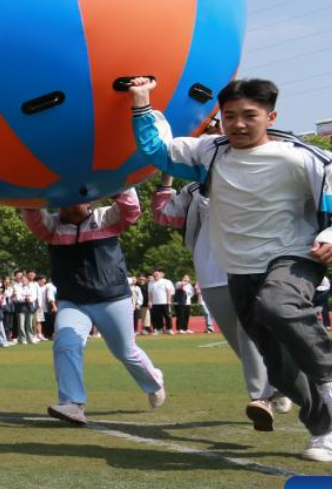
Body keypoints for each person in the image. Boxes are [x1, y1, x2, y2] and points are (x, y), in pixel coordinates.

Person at [132, 76, 332, 461]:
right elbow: (159, 151)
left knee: (277, 304)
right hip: (240, 267)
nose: (239, 125)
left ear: (270, 116)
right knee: (276, 367)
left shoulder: (301, 156)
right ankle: (324, 427)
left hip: (294, 255)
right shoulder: (211, 154)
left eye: (250, 115)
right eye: (230, 116)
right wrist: (141, 104)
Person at [153, 172, 290, 431]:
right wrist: (167, 175)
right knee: (241, 343)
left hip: (251, 268)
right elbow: (163, 215)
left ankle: (262, 398)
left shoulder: (255, 173)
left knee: (249, 330)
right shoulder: (193, 189)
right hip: (211, 275)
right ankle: (281, 385)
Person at [21, 189, 166, 426]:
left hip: (112, 298)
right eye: (63, 203)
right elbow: (33, 216)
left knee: (125, 352)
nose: (67, 206)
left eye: (74, 201)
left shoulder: (104, 218)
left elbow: (131, 211)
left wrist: (120, 186)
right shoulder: (52, 227)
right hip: (73, 301)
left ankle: (154, 382)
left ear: (89, 201)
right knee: (66, 344)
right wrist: (27, 196)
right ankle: (73, 403)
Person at [147, 270, 174, 335]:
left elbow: (168, 291)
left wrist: (169, 300)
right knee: (157, 317)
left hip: (165, 302)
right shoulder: (151, 283)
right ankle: (159, 329)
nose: (155, 276)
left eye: (157, 275)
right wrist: (150, 301)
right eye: (154, 275)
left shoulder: (166, 281)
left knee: (167, 316)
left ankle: (169, 329)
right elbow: (150, 293)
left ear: (160, 275)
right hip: (155, 303)